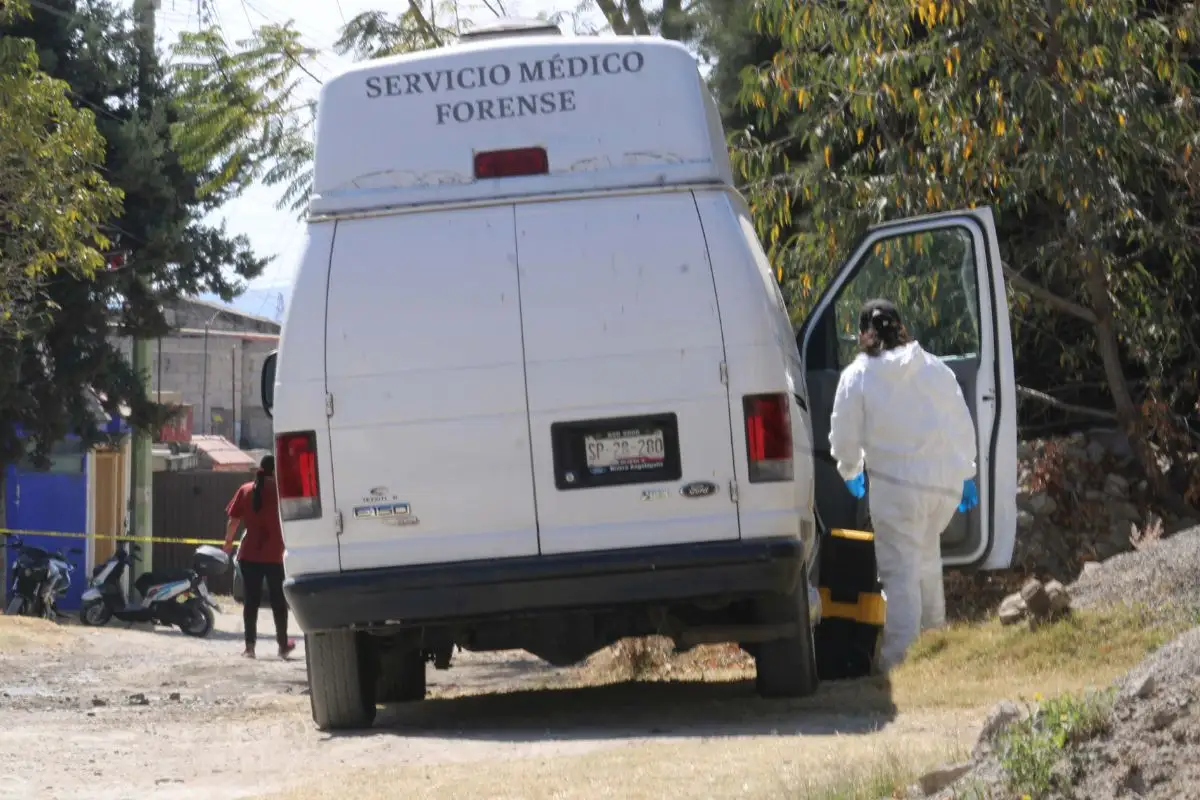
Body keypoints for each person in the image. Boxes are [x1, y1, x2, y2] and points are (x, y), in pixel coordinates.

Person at [829, 299, 979, 672]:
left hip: (896, 492)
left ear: (863, 334)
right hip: (939, 489)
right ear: (900, 327)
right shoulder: (933, 367)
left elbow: (844, 435)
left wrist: (850, 470)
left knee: (900, 574)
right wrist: (966, 473)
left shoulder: (858, 377)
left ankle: (900, 660)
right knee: (925, 559)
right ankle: (935, 642)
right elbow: (960, 422)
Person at [223, 455, 296, 660]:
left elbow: (233, 521)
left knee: (251, 601)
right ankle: (282, 646)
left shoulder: (246, 490)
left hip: (250, 554)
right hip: (276, 555)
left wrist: (228, 543)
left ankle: (250, 648)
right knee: (278, 601)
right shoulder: (283, 492)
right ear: (276, 470)